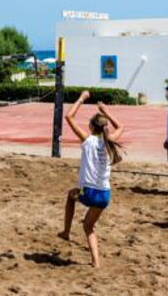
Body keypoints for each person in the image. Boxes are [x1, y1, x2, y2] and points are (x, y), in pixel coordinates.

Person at [57, 91, 126, 268]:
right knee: (89, 227)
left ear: (91, 127)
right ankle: (96, 262)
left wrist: (81, 98)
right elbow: (121, 126)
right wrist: (105, 111)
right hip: (105, 194)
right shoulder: (109, 141)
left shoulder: (88, 140)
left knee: (71, 195)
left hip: (88, 192)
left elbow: (69, 116)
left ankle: (66, 231)